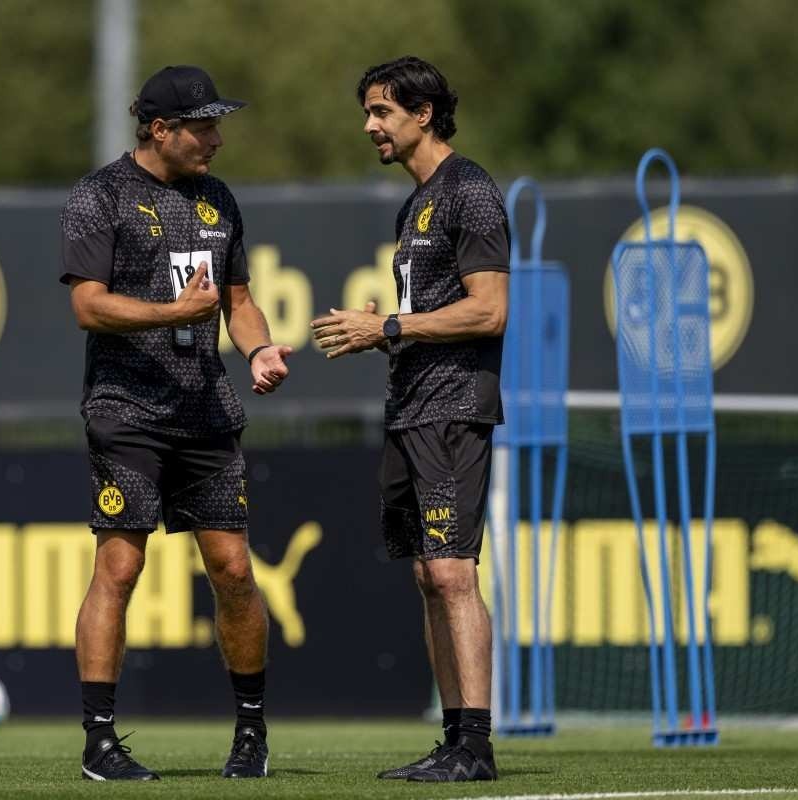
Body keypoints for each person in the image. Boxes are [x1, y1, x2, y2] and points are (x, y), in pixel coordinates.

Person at [59, 64, 289, 781]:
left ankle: (250, 733)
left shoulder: (218, 199)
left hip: (206, 410)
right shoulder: (99, 195)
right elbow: (88, 305)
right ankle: (100, 742)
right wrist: (174, 313)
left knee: (234, 570)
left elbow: (239, 302)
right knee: (120, 566)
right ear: (160, 130)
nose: (216, 139)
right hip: (125, 409)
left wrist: (259, 348)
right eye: (203, 127)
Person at [311, 55, 509, 783]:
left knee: (453, 572)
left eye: (382, 112)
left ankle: (477, 747)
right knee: (429, 574)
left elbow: (489, 311)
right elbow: (430, 314)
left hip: (454, 406)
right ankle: (453, 738)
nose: (370, 126)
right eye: (367, 112)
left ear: (424, 114)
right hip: (412, 405)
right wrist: (384, 331)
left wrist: (389, 326)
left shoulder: (470, 191)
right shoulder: (415, 203)